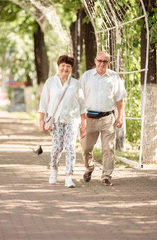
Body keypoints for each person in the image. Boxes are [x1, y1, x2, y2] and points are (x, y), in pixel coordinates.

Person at [79, 51, 127, 186]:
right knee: (86, 148)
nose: (101, 64)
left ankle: (106, 175)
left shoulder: (114, 77)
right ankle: (89, 168)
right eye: (99, 61)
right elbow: (79, 99)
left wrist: (120, 117)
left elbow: (120, 99)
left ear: (109, 63)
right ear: (95, 61)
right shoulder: (86, 76)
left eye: (105, 61)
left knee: (108, 149)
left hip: (107, 118)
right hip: (89, 119)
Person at [38, 55, 86, 188]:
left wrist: (84, 124)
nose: (65, 68)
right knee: (57, 147)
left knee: (70, 147)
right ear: (58, 66)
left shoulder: (76, 84)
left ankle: (69, 176)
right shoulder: (50, 82)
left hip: (72, 119)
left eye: (68, 66)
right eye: (63, 65)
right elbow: (43, 103)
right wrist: (41, 120)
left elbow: (82, 105)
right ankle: (54, 169)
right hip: (56, 120)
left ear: (71, 68)